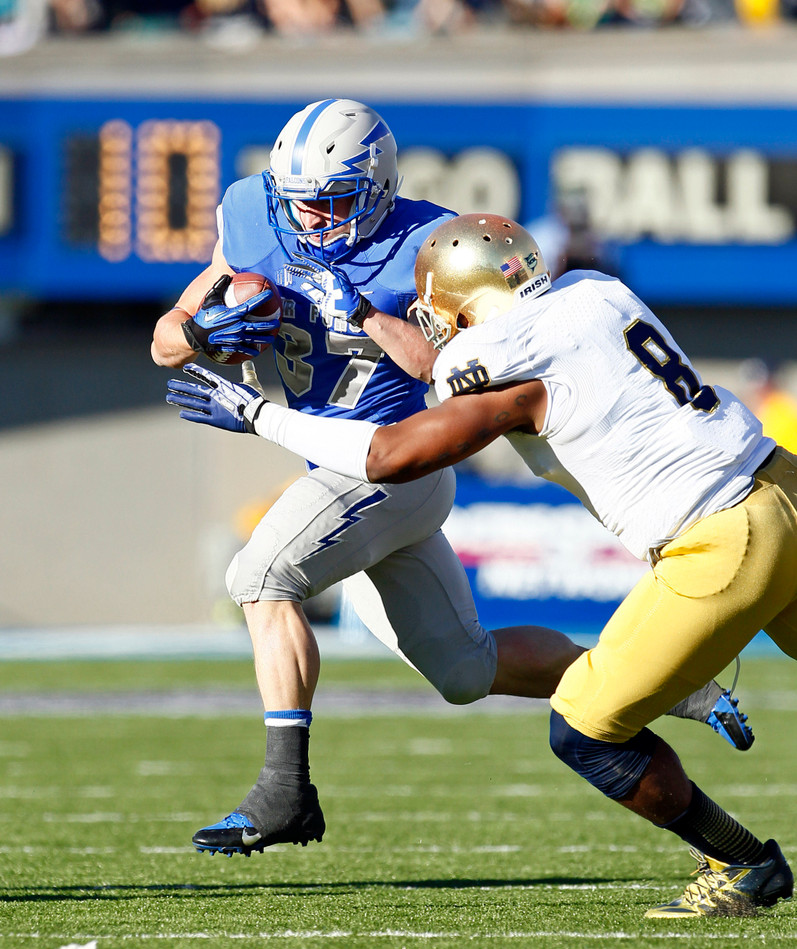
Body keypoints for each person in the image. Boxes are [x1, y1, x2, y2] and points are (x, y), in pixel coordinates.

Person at [155, 105, 750, 862]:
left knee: (260, 575)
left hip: (394, 464)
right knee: (465, 670)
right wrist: (204, 331)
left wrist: (364, 313)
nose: (306, 211)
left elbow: (452, 368)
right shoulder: (250, 211)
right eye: (294, 193)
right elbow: (165, 340)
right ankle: (674, 685)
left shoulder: (432, 244)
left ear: (374, 186)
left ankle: (284, 791)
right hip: (332, 468)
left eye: (328, 195)